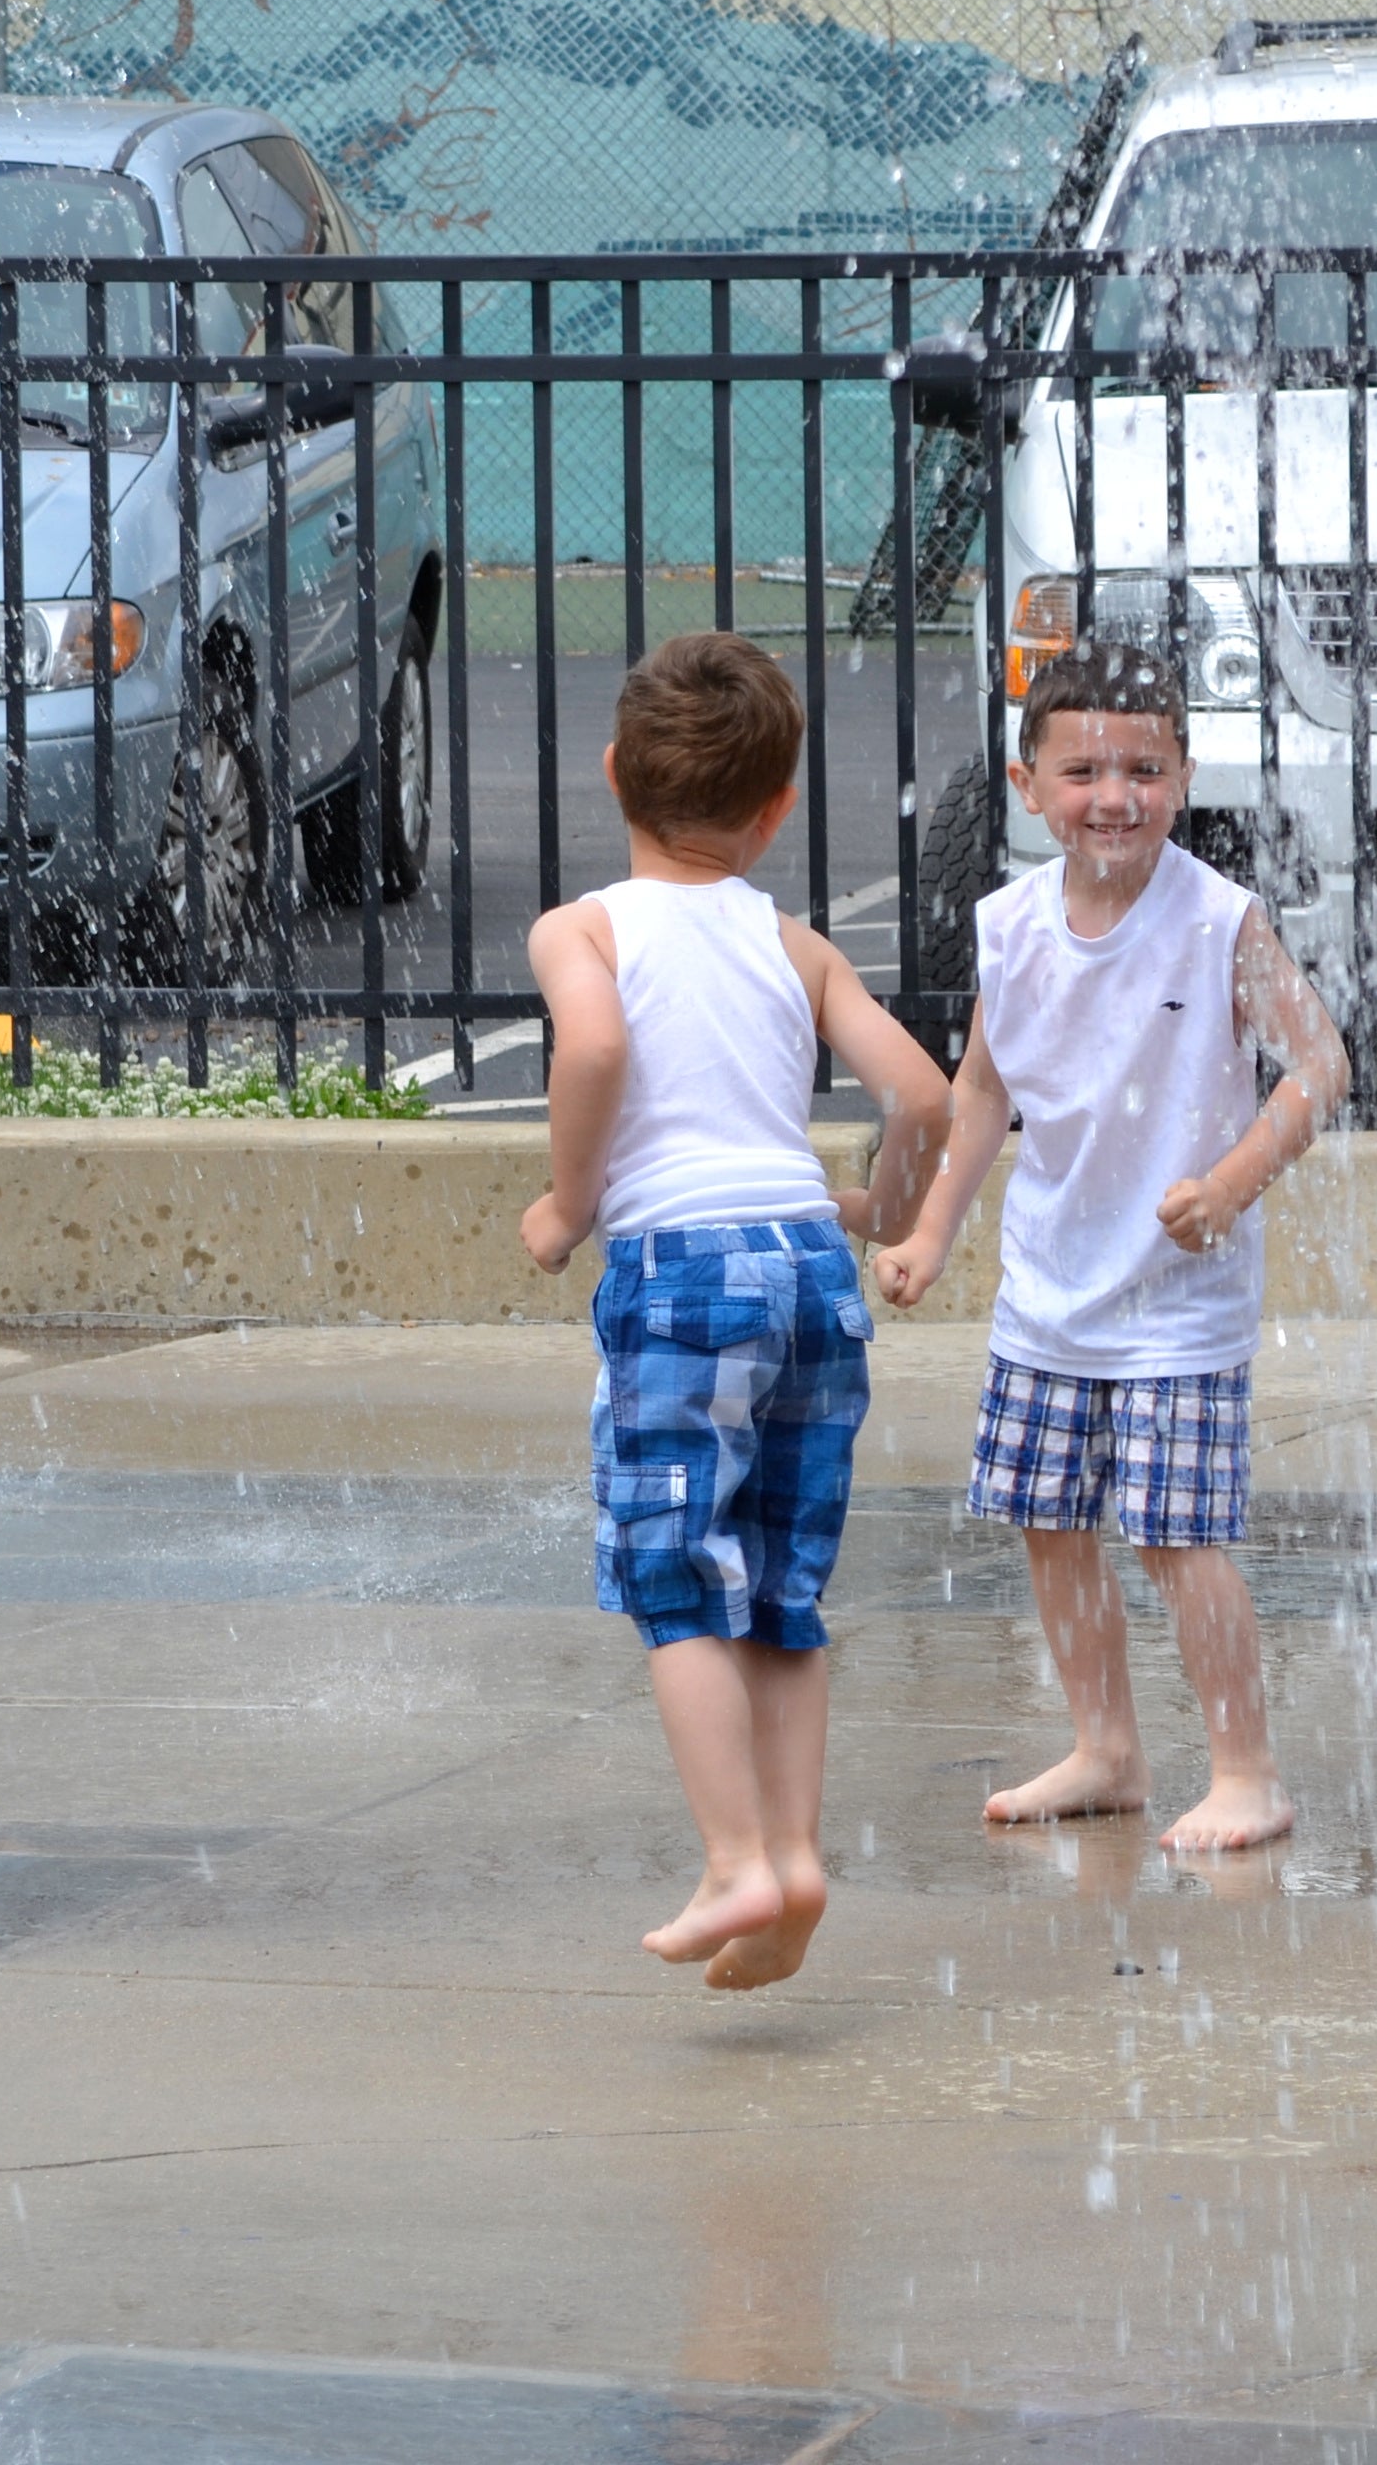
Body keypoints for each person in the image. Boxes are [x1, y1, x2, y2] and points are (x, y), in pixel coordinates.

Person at [871, 640, 1353, 1854]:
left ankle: (1246, 1769)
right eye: (1082, 768)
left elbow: (1321, 1066)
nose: (1115, 794)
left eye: (1143, 766)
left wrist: (1235, 1181)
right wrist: (931, 1231)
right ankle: (1107, 1748)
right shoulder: (1011, 925)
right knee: (1049, 1520)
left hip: (1178, 1297)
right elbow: (986, 1093)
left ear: (1185, 774)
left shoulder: (1217, 921)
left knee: (1176, 1533)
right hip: (1049, 1288)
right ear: (1028, 786)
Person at [522, 629, 950, 1990]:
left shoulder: (582, 928)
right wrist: (884, 1211)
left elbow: (592, 1045)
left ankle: (732, 1862)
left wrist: (567, 1201)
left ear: (611, 775)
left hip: (685, 1268)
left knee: (673, 1574)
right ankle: (798, 1855)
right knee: (777, 1579)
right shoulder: (793, 940)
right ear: (778, 810)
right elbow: (926, 1098)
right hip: (810, 1267)